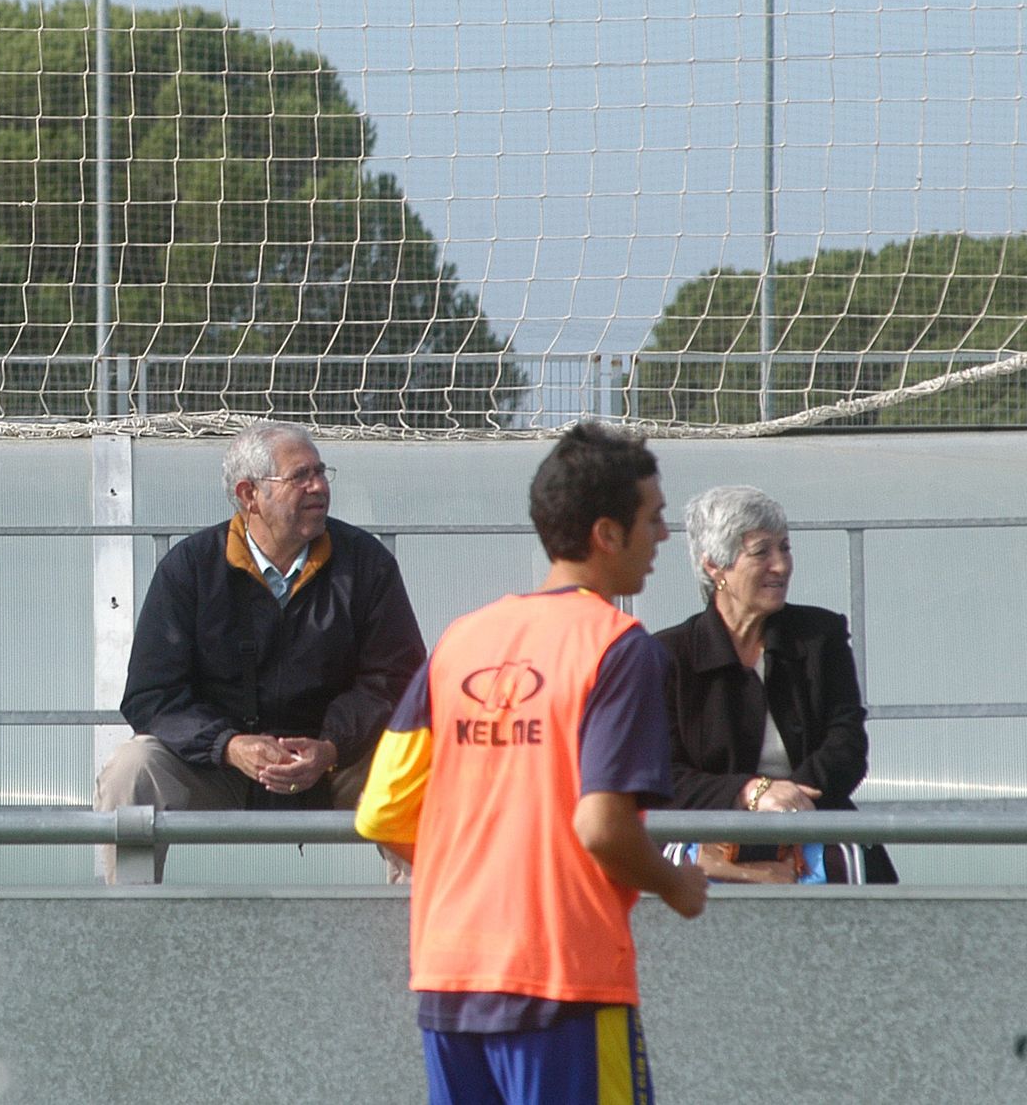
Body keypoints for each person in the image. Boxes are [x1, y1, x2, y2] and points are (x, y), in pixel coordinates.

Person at [356, 421, 707, 1105]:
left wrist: (485, 878)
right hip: (561, 978)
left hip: (449, 974)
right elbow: (602, 826)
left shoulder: (462, 639)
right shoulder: (618, 646)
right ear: (607, 534)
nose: (664, 536)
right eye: (654, 518)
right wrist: (673, 884)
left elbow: (382, 811)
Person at [95, 420, 425, 882]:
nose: (319, 487)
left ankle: (425, 943)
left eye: (322, 472)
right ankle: (121, 937)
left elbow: (398, 681)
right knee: (132, 768)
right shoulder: (189, 569)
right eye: (301, 476)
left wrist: (329, 747)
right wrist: (228, 746)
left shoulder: (366, 564)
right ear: (250, 495)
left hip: (339, 763)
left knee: (425, 774)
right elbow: (152, 695)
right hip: (219, 768)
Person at [655, 484, 897, 884]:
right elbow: (665, 773)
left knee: (858, 887)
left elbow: (847, 743)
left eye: (785, 548)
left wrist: (790, 804)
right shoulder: (668, 656)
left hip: (815, 827)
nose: (781, 566)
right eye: (761, 552)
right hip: (706, 841)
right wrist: (753, 792)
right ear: (715, 566)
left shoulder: (820, 636)